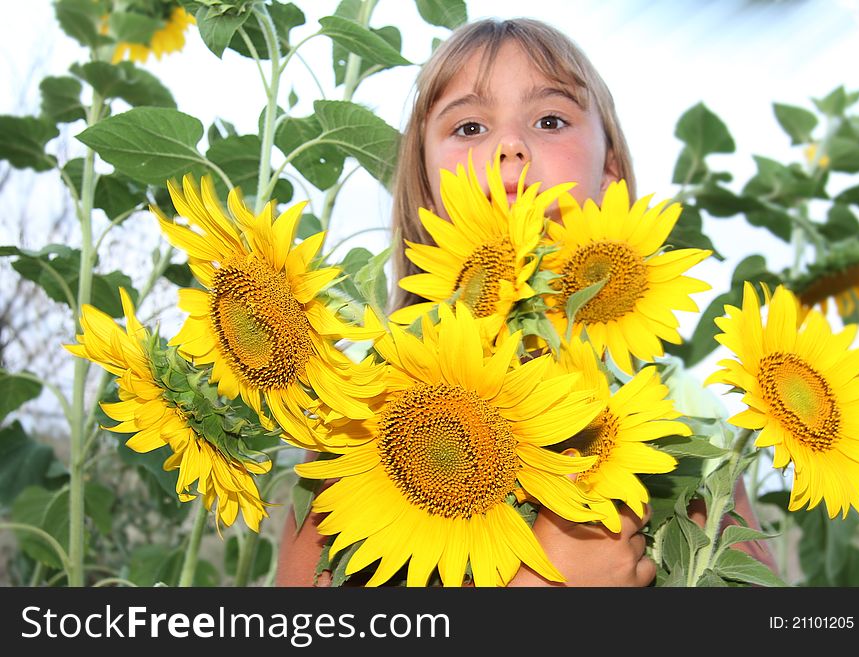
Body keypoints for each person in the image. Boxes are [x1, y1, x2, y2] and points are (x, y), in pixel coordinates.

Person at [275, 16, 777, 587]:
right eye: (468, 128)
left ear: (610, 169)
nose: (510, 146)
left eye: (550, 120)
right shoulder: (360, 405)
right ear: (428, 184)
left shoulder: (682, 414)